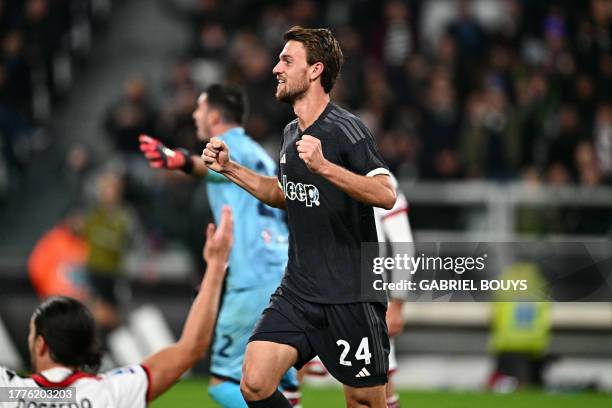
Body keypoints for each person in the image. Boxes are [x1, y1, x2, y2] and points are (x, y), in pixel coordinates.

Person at [203, 26, 397, 407]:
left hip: (350, 294)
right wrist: (230, 169)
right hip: (299, 291)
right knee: (254, 383)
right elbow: (283, 193)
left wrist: (325, 167)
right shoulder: (291, 133)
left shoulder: (347, 130)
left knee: (364, 401)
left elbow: (385, 193)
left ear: (314, 71)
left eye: (287, 60)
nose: (276, 68)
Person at [138, 83, 299, 407]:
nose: (195, 115)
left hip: (253, 279)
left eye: (199, 109)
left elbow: (207, 166)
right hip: (285, 272)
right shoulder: (259, 153)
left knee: (224, 383)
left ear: (213, 115)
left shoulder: (225, 147)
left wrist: (177, 159)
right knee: (279, 382)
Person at [0, 206, 233, 408]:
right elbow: (192, 348)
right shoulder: (111, 392)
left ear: (41, 345)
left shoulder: (12, 393)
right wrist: (215, 265)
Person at [298, 173, 413, 408]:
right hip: (321, 288)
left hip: (351, 293)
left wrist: (398, 303)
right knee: (285, 370)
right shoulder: (306, 166)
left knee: (368, 389)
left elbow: (402, 244)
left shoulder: (378, 176)